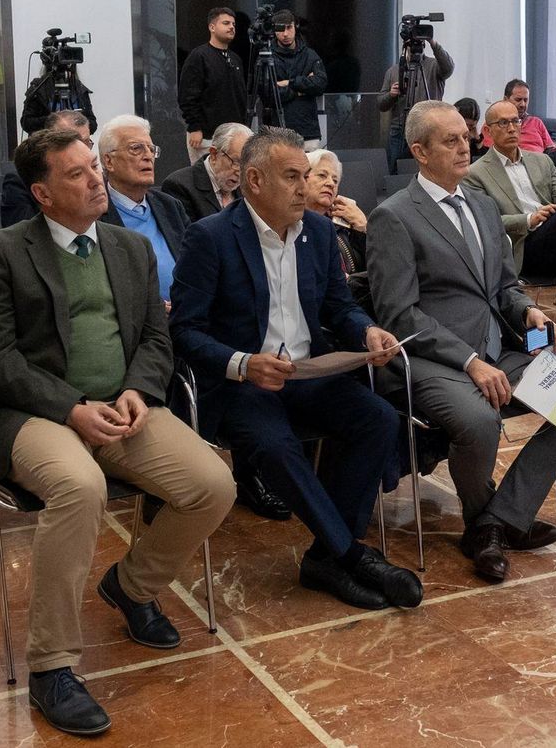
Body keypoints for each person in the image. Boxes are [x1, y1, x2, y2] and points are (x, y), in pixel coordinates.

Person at [0, 129, 234, 736]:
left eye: (94, 167)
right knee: (79, 488)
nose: (96, 181)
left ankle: (132, 586)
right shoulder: (1, 251)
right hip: (34, 413)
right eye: (78, 174)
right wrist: (71, 407)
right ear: (42, 193)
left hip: (123, 406)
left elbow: (156, 338)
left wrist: (139, 389)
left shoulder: (128, 247)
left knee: (213, 483)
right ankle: (51, 666)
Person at [170, 127, 422, 611]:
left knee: (378, 419)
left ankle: (326, 558)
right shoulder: (211, 237)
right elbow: (185, 331)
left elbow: (338, 307)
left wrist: (367, 331)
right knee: (275, 446)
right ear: (254, 180)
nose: (305, 188)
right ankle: (350, 555)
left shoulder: (319, 233)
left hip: (309, 372)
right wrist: (244, 364)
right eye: (292, 177)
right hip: (243, 384)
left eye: (306, 176)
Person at [368, 100, 556, 583]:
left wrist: (528, 310)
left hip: (497, 348)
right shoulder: (394, 216)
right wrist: (470, 360)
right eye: (450, 140)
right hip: (433, 358)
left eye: (466, 137)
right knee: (478, 420)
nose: (465, 146)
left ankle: (497, 520)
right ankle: (486, 524)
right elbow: (399, 314)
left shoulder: (483, 206)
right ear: (419, 152)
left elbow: (505, 287)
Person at [464, 101, 556, 343]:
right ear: (488, 131)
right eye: (503, 123)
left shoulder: (541, 161)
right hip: (524, 248)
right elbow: (485, 221)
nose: (512, 128)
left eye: (515, 121)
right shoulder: (475, 173)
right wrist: (529, 219)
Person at [96, 114, 190, 305]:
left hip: (183, 312)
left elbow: (194, 261)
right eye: (136, 148)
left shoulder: (170, 206)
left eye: (151, 149)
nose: (148, 156)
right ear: (109, 161)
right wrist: (154, 307)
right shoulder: (95, 214)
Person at [179, 7, 248, 158]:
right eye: (226, 23)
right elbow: (187, 96)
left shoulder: (236, 59)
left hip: (233, 138)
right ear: (212, 27)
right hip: (206, 138)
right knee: (205, 173)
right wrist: (195, 127)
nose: (231, 27)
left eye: (233, 24)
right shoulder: (199, 56)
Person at [2, 110, 91, 227]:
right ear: (51, 142)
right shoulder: (21, 181)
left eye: (87, 142)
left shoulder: (94, 176)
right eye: (73, 143)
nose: (82, 149)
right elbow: (21, 232)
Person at [378, 37, 454, 171]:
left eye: (420, 44)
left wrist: (432, 42)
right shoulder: (394, 71)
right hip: (400, 129)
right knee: (396, 169)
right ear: (405, 46)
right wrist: (391, 95)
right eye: (411, 45)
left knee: (429, 168)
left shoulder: (434, 66)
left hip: (429, 127)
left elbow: (448, 68)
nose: (415, 48)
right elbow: (381, 104)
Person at [161, 121, 248, 222]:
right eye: (236, 162)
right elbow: (189, 231)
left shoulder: (248, 188)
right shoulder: (178, 186)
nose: (240, 173)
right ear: (214, 154)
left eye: (247, 165)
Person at [305, 148, 369, 274]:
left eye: (335, 180)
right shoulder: (292, 226)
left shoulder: (345, 225)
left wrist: (363, 228)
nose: (331, 183)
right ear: (302, 179)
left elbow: (379, 267)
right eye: (322, 175)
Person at [269, 10, 328, 145]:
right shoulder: (267, 57)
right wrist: (301, 89)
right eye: (280, 29)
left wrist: (289, 82)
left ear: (296, 27)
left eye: (289, 27)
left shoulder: (310, 54)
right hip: (277, 134)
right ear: (274, 31)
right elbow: (269, 94)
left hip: (307, 131)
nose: (285, 34)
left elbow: (321, 84)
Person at [480, 80, 554, 154]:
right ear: (505, 99)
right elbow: (491, 153)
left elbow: (551, 149)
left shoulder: (537, 122)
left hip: (538, 160)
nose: (523, 104)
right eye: (518, 100)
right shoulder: (494, 123)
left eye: (525, 100)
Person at [454, 97, 485, 161]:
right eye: (465, 124)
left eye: (471, 127)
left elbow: (481, 160)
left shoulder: (474, 139)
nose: (467, 130)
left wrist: (477, 139)